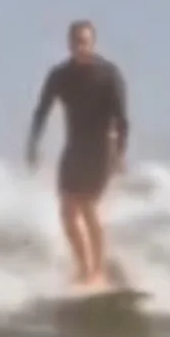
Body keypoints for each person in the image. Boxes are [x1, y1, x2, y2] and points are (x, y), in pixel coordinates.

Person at [26, 21, 129, 288]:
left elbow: (122, 118)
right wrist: (33, 144)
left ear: (93, 43)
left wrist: (120, 152)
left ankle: (98, 270)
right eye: (76, 42)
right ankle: (84, 268)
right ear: (69, 44)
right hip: (74, 148)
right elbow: (42, 111)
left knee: (88, 205)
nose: (80, 47)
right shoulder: (60, 75)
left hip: (101, 148)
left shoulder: (108, 74)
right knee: (67, 211)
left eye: (84, 42)